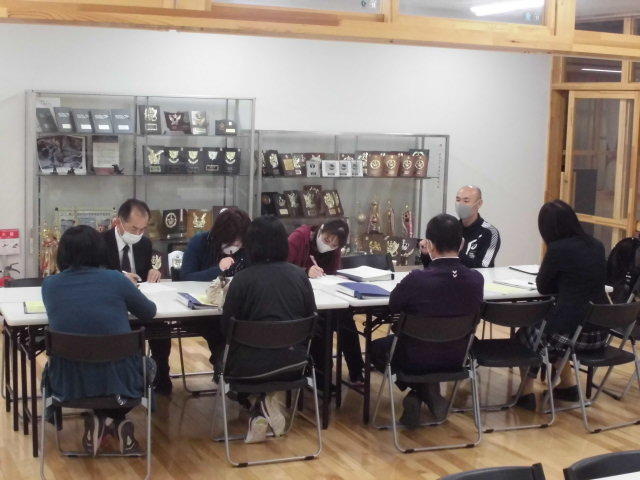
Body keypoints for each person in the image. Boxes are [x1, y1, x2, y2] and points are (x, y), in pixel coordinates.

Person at [42, 225, 157, 456]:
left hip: (69, 383)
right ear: (99, 251)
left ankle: (102, 420)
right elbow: (149, 312)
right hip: (122, 382)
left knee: (87, 363)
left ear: (62, 254)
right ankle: (113, 419)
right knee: (150, 365)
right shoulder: (116, 279)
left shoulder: (50, 285)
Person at [370, 214, 484, 427]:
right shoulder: (476, 279)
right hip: (457, 356)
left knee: (376, 349)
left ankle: (422, 390)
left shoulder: (417, 279)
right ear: (461, 244)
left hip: (415, 357)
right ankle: (428, 391)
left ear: (429, 244)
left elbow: (394, 304)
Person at [222, 216, 317, 443]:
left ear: (251, 245)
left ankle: (257, 404)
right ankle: (264, 406)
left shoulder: (242, 280)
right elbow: (312, 318)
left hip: (246, 368)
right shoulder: (299, 275)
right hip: (294, 363)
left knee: (226, 354)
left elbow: (226, 329)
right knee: (271, 356)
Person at [516, 200, 608, 410]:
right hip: (599, 333)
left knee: (527, 335)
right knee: (557, 328)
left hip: (573, 335)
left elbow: (543, 286)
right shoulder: (597, 245)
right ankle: (567, 386)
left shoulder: (558, 249)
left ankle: (526, 391)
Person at [102, 199, 171, 395]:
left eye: (142, 229)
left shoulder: (144, 243)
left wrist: (152, 272)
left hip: (138, 303)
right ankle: (130, 379)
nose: (138, 233)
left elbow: (144, 271)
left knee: (162, 328)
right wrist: (121, 277)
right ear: (118, 222)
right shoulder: (100, 242)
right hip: (112, 306)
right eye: (134, 228)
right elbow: (97, 272)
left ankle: (161, 376)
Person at [287, 219, 364, 385]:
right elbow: (283, 267)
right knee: (320, 323)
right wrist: (305, 271)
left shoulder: (334, 251)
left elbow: (333, 271)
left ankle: (357, 370)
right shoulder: (299, 237)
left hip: (325, 296)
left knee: (346, 320)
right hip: (299, 297)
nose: (329, 245)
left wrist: (337, 277)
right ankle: (322, 377)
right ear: (321, 230)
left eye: (334, 245)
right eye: (327, 240)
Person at [422, 185, 500, 269]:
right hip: (445, 276)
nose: (460, 204)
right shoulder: (449, 228)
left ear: (479, 203)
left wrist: (455, 253)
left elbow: (484, 267)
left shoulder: (490, 232)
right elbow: (433, 264)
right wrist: (426, 253)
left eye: (466, 201)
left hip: (473, 277)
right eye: (458, 200)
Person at [180, 207, 250, 281]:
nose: (236, 246)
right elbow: (186, 277)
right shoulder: (200, 241)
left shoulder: (247, 246)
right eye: (231, 242)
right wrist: (218, 269)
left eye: (239, 243)